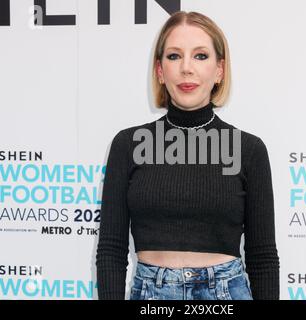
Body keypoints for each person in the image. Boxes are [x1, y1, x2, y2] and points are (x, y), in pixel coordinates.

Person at [96, 11, 280, 300]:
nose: (186, 68)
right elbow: (110, 249)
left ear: (220, 70)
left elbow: (263, 257)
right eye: (173, 56)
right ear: (159, 70)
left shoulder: (249, 150)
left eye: (200, 56)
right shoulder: (127, 145)